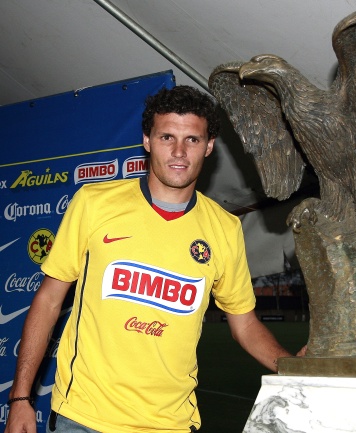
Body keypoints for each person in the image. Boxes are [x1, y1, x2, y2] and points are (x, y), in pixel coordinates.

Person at [6, 85, 305, 433]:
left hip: (170, 423)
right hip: (84, 417)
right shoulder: (94, 202)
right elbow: (48, 300)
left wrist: (288, 365)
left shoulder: (224, 228)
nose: (179, 152)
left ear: (209, 146)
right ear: (147, 140)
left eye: (192, 139)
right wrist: (20, 397)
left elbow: (244, 324)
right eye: (167, 137)